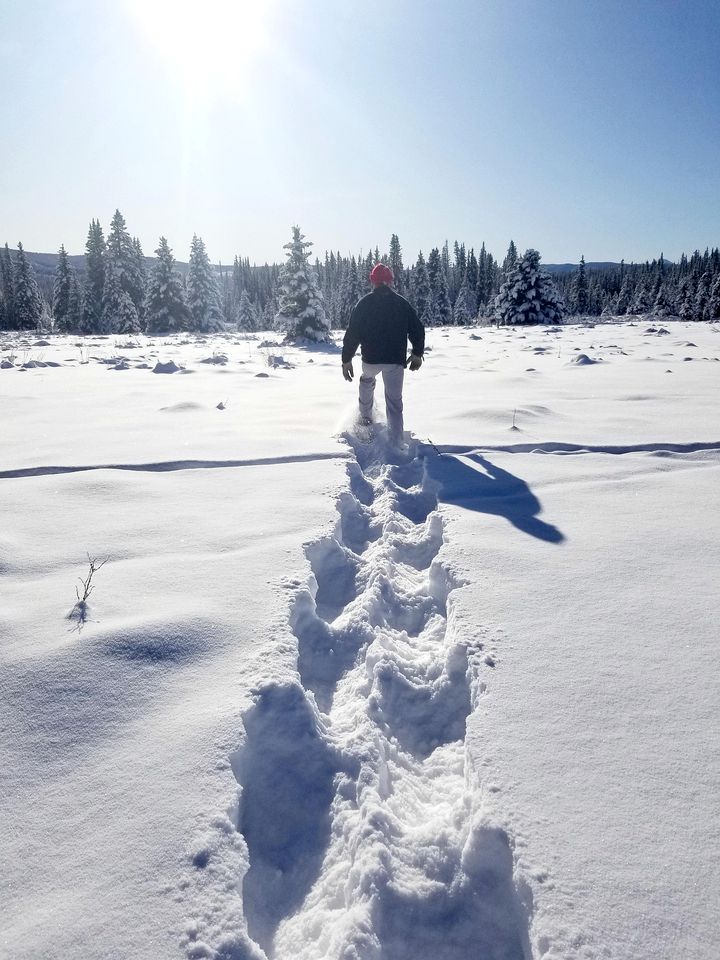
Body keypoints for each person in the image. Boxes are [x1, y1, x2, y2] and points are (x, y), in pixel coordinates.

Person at [341, 263, 424, 446]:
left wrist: (346, 360)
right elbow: (417, 329)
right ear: (391, 282)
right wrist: (417, 353)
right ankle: (396, 442)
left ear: (373, 281)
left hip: (370, 360)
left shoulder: (364, 304)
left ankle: (365, 420)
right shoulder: (402, 304)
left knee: (366, 380)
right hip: (395, 362)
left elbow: (352, 333)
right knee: (394, 402)